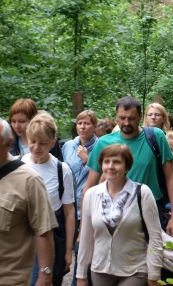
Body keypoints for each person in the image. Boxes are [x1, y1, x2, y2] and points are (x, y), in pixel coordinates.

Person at [83, 96, 173, 237]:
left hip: (150, 210)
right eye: (122, 118)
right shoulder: (104, 143)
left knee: (152, 255)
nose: (126, 123)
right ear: (116, 117)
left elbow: (171, 177)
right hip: (115, 211)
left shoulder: (155, 137)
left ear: (140, 117)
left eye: (131, 118)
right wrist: (85, 225)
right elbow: (90, 186)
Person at [77, 144, 163, 286]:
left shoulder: (142, 193)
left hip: (135, 269)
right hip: (100, 269)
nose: (110, 166)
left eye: (116, 162)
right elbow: (86, 238)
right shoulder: (91, 195)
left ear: (127, 167)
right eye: (106, 161)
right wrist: (81, 275)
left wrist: (154, 274)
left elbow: (155, 236)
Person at [0, 118, 57, 286]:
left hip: (10, 279)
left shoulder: (29, 180)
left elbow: (43, 231)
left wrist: (45, 276)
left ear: (8, 143)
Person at [22, 112, 76, 286]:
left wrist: (68, 251)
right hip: (23, 236)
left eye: (43, 143)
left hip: (53, 234)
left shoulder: (62, 170)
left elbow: (69, 211)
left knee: (49, 280)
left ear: (53, 142)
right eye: (33, 141)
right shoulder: (18, 166)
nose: (37, 147)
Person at [61, 110, 99, 286]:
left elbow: (102, 176)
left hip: (87, 208)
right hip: (67, 205)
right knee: (64, 252)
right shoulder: (68, 146)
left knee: (83, 253)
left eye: (87, 123)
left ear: (95, 126)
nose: (82, 127)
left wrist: (86, 159)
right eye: (79, 123)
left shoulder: (101, 147)